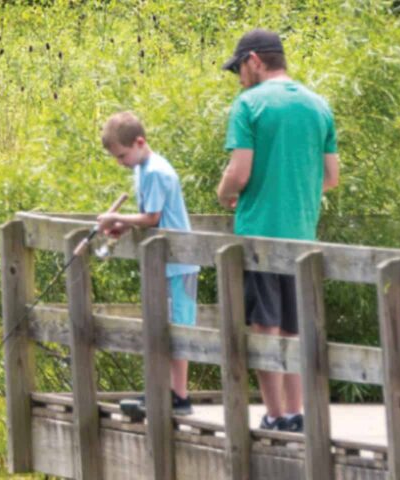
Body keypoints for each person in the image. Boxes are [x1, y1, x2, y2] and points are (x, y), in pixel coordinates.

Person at [217, 29, 340, 432]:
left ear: (254, 60)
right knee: (294, 324)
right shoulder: (318, 105)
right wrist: (292, 190)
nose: (239, 78)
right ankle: (296, 412)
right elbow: (331, 177)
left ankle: (274, 414)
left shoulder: (249, 104)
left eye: (239, 68)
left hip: (260, 234)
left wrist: (224, 193)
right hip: (303, 235)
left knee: (264, 324)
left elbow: (240, 171)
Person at [97, 111, 199, 416]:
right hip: (161, 263)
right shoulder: (142, 169)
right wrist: (124, 226)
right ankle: (161, 390)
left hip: (179, 263)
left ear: (140, 142)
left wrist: (116, 217)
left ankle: (178, 396)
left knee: (178, 327)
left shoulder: (156, 171)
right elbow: (150, 218)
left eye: (122, 155)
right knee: (159, 326)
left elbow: (152, 218)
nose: (121, 162)